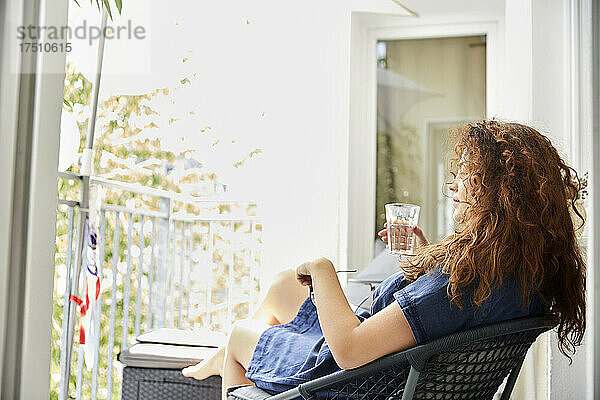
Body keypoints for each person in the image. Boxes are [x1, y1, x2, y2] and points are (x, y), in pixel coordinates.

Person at [182, 120, 586, 399]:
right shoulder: (519, 277)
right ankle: (232, 357)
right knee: (283, 286)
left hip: (348, 381)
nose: (453, 187)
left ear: (497, 191)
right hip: (391, 371)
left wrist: (322, 268)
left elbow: (351, 351)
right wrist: (424, 257)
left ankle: (231, 357)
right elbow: (438, 314)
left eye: (466, 176)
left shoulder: (459, 283)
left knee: (239, 333)